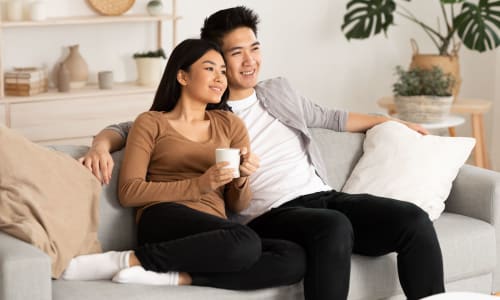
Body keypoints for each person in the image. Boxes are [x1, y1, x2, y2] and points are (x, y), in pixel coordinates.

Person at [79, 7, 445, 300]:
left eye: (254, 48)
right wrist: (100, 143)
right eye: (235, 54)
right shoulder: (207, 109)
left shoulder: (278, 91)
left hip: (323, 196)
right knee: (333, 228)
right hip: (271, 215)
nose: (249, 61)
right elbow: (134, 128)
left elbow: (331, 117)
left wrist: (393, 122)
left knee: (412, 221)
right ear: (214, 60)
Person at [62, 38, 307, 290]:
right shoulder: (151, 122)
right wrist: (199, 184)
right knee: (245, 241)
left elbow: (237, 204)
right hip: (163, 217)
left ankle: (174, 276)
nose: (220, 78)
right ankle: (123, 260)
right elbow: (129, 192)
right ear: (182, 76)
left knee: (293, 257)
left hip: (215, 229)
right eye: (210, 68)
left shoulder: (230, 124)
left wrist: (242, 179)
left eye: (223, 71)